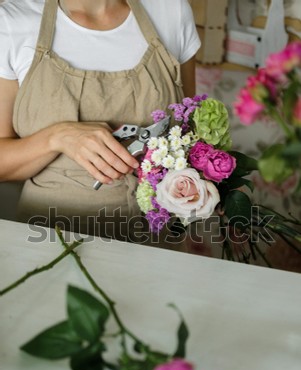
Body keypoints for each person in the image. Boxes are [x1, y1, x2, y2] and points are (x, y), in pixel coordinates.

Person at [0, 0, 201, 241]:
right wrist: (58, 137)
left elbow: (191, 139)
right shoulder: (12, 21)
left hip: (155, 241)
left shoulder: (172, 11)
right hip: (49, 236)